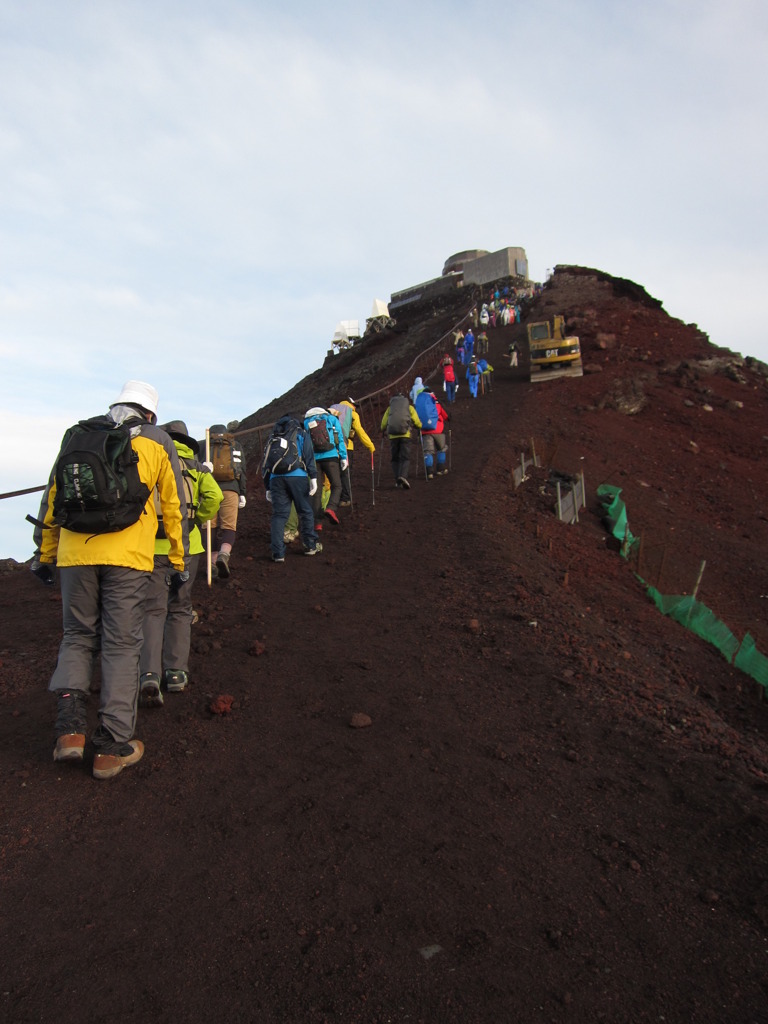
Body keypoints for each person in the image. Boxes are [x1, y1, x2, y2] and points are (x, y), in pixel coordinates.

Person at [29, 380, 189, 780]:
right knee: (121, 642)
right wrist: (177, 557)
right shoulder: (155, 440)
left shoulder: (79, 435)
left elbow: (52, 498)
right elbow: (172, 503)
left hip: (74, 555)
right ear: (150, 413)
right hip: (129, 559)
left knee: (77, 636)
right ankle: (111, 746)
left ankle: (69, 732)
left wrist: (46, 553)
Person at [139, 421, 223, 708]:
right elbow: (216, 496)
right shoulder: (197, 467)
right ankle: (176, 673)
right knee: (180, 607)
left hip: (150, 546)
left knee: (152, 609)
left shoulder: (152, 457)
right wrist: (197, 520)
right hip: (189, 546)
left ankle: (149, 673)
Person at [262, 414, 321, 560]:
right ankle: (310, 545)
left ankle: (278, 553)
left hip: (276, 478)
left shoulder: (273, 436)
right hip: (298, 476)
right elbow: (308, 455)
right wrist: (313, 476)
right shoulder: (300, 433)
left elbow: (265, 462)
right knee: (305, 511)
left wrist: (267, 486)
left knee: (279, 515)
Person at [206, 423, 246, 579]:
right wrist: (242, 492)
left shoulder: (205, 445)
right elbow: (241, 470)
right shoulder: (235, 446)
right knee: (229, 525)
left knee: (210, 526)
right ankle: (224, 554)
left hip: (208, 489)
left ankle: (212, 563)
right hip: (231, 488)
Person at [304, 407, 347, 526]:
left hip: (314, 459)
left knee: (317, 489)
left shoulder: (306, 422)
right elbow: (340, 439)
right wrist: (343, 457)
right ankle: (331, 508)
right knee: (337, 485)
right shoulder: (331, 419)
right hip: (331, 456)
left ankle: (317, 522)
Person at [331, 397, 375, 507]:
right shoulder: (352, 413)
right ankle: (345, 499)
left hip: (331, 447)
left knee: (334, 472)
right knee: (346, 473)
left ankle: (333, 498)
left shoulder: (333, 410)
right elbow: (360, 431)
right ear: (352, 405)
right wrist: (370, 446)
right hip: (346, 447)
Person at [381, 393, 421, 489]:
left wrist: (383, 429)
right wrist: (419, 426)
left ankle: (397, 479)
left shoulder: (390, 408)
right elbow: (416, 421)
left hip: (393, 436)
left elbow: (383, 423)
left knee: (395, 458)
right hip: (405, 435)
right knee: (405, 457)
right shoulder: (409, 407)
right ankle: (403, 476)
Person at [418, 389, 450, 478]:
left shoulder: (421, 404)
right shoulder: (436, 402)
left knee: (428, 451)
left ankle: (429, 472)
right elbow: (446, 415)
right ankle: (440, 469)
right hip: (438, 430)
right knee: (441, 448)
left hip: (425, 431)